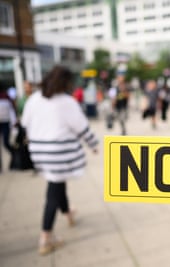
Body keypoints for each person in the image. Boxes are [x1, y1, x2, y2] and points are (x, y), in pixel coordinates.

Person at [21, 66, 98, 256]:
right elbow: (81, 127)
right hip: (59, 152)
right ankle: (46, 237)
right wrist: (94, 144)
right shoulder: (66, 102)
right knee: (53, 191)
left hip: (39, 151)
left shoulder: (34, 99)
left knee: (57, 182)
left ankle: (68, 213)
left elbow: (24, 124)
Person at [0, 86, 17, 172]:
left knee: (6, 143)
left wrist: (14, 124)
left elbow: (11, 111)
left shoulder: (6, 97)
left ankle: (14, 154)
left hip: (6, 123)